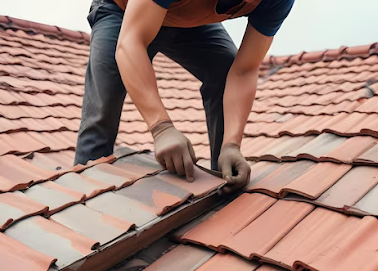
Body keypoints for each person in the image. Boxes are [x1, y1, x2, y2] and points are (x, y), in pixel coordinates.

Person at [75, 0, 294, 192]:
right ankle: (83, 202)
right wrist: (161, 127)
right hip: (123, 12)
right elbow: (130, 42)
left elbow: (244, 70)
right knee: (103, 107)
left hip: (190, 22)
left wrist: (232, 144)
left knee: (224, 73)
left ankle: (224, 174)